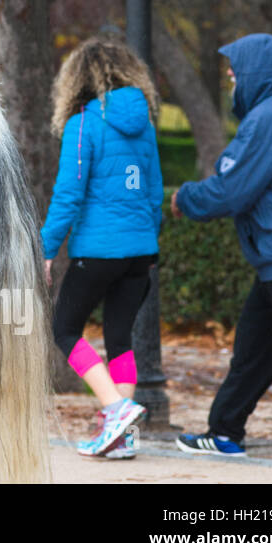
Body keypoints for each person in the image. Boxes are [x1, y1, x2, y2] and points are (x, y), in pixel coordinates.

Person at [172, 32, 272, 457]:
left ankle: (225, 429)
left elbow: (231, 190)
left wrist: (184, 198)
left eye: (234, 72)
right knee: (255, 347)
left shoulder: (267, 119)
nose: (230, 78)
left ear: (254, 73)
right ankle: (224, 432)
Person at [40, 36, 163, 458]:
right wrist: (150, 244)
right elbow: (154, 192)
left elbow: (68, 195)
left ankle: (116, 409)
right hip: (140, 253)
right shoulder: (144, 124)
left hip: (97, 251)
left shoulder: (83, 123)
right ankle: (122, 439)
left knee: (65, 329)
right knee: (120, 337)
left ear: (79, 79)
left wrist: (46, 249)